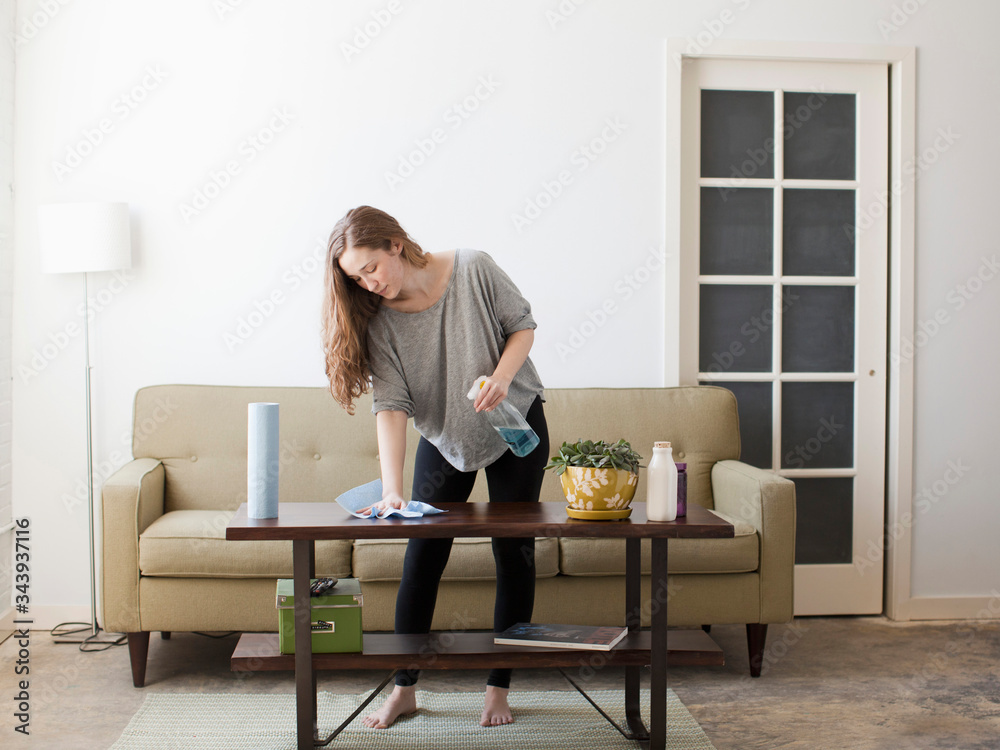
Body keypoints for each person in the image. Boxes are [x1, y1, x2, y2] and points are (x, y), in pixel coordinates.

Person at [321, 206, 549, 729]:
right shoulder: (376, 320)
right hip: (446, 437)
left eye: (371, 268)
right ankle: (403, 689)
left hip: (515, 422)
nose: (368, 284)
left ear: (396, 244)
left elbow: (523, 327)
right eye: (356, 278)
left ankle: (498, 687)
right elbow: (392, 406)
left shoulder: (473, 267)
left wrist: (499, 377)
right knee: (422, 557)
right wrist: (394, 491)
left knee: (513, 553)